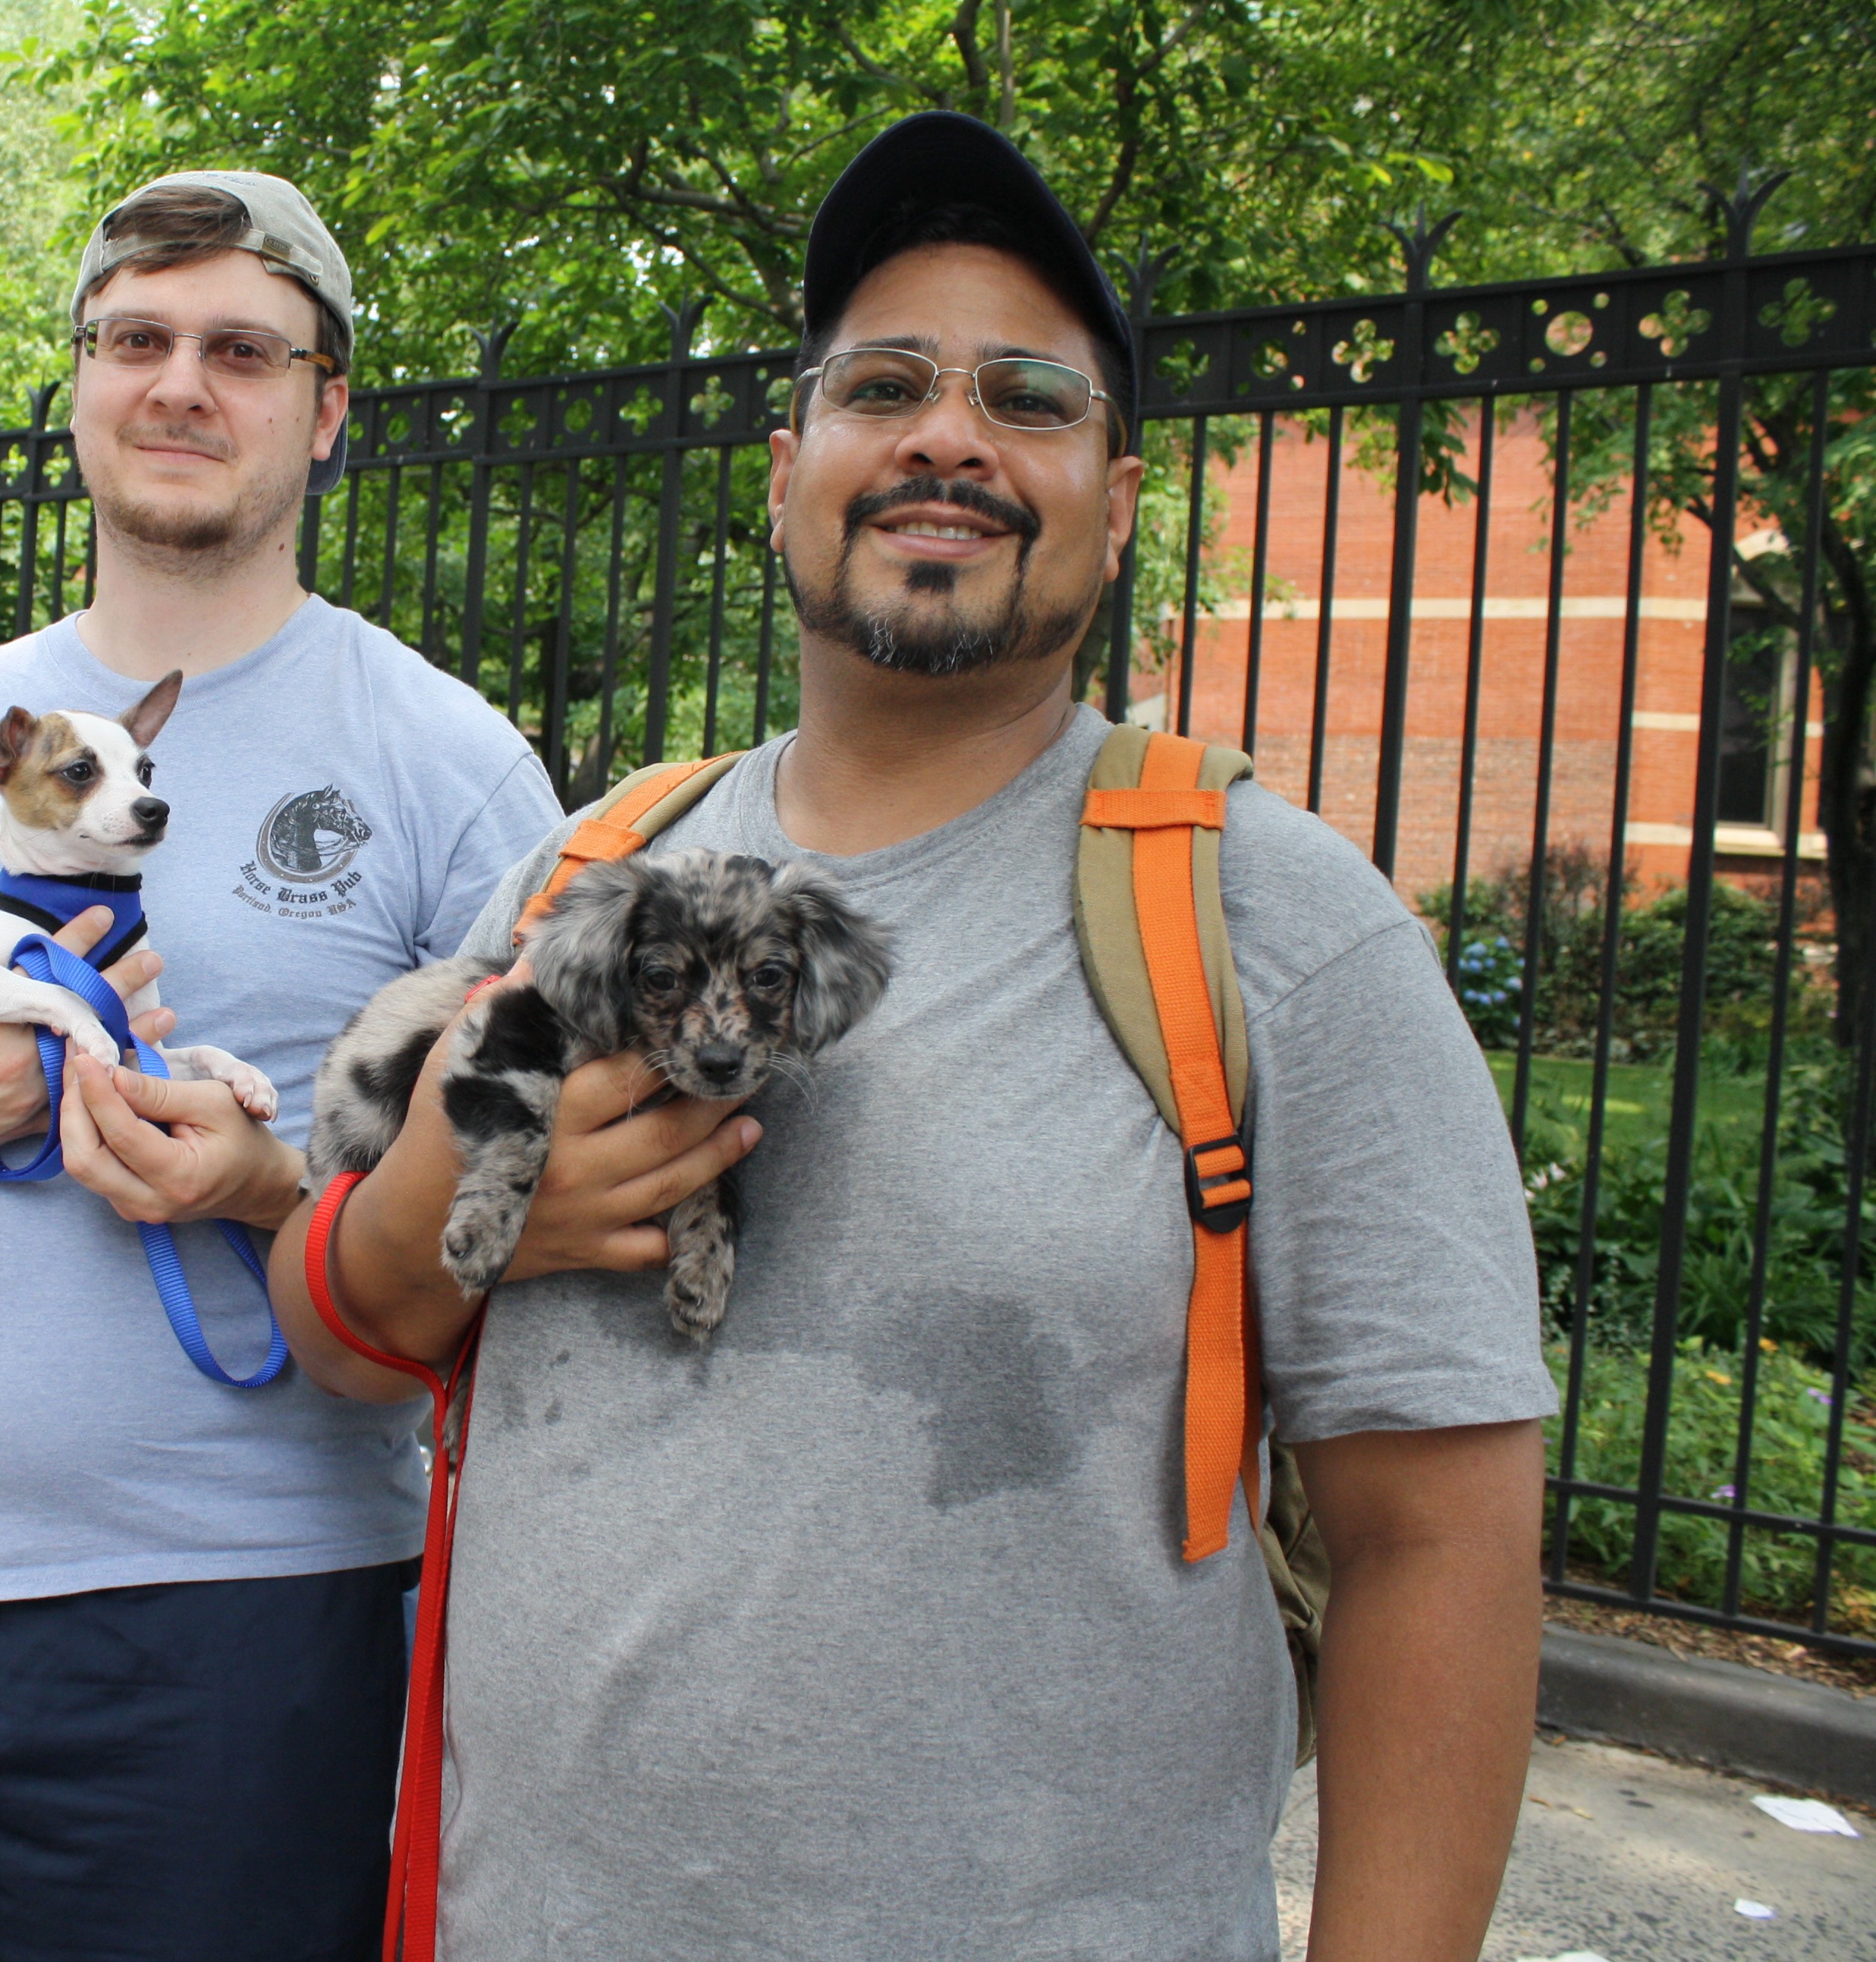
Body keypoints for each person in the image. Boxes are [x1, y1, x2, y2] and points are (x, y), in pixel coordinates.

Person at [275, 113, 1554, 1961]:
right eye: (883, 384)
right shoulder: (591, 866)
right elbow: (348, 1339)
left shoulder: (1274, 926)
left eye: (1027, 396)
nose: (945, 433)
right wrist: (456, 1212)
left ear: (1112, 505)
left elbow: (1437, 1548)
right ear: (786, 470)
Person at [0, 170, 561, 1960]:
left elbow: (521, 1223)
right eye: (135, 339)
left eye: (241, 347)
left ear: (326, 406)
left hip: (241, 1637)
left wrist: (271, 1186)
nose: (180, 385)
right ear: (77, 380)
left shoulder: (444, 762)